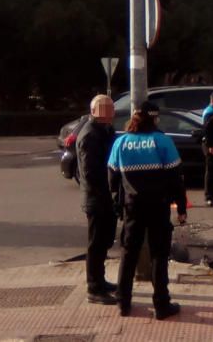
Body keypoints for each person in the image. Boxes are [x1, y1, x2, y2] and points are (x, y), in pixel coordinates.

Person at [108, 102, 187, 320]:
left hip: (132, 208)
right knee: (159, 255)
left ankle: (123, 303)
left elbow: (112, 179)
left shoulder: (121, 142)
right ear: (154, 118)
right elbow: (176, 179)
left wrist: (118, 204)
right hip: (158, 207)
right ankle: (162, 304)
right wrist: (181, 207)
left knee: (128, 253)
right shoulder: (162, 141)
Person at [76, 95, 119, 305]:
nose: (109, 113)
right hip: (96, 198)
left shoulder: (106, 130)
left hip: (106, 197)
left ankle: (100, 280)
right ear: (94, 111)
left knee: (105, 240)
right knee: (96, 243)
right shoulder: (90, 135)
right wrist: (109, 188)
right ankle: (94, 287)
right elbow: (91, 172)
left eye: (110, 108)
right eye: (105, 109)